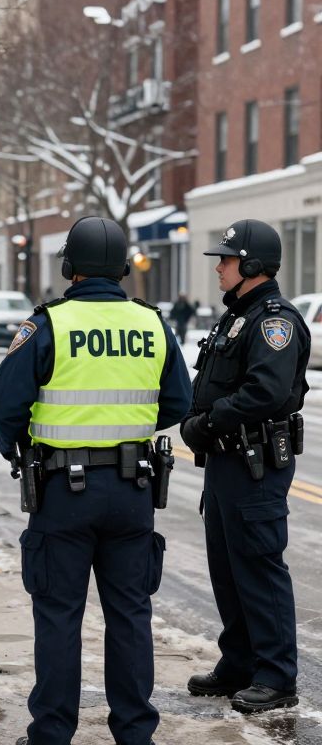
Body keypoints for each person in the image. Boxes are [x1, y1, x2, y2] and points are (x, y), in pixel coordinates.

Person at [0, 217, 192, 745]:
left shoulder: (49, 323)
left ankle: (52, 734)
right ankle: (134, 734)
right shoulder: (153, 323)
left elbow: (4, 399)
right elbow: (180, 402)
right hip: (134, 491)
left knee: (58, 615)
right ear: (123, 269)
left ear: (69, 267)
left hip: (62, 491)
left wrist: (17, 445)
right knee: (130, 614)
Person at [180, 219, 309, 714]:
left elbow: (267, 392)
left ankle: (277, 676)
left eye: (227, 260)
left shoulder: (273, 320)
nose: (220, 268)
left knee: (258, 565)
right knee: (227, 568)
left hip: (255, 461)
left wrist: (208, 422)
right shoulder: (238, 315)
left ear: (252, 265)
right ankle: (238, 661)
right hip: (227, 460)